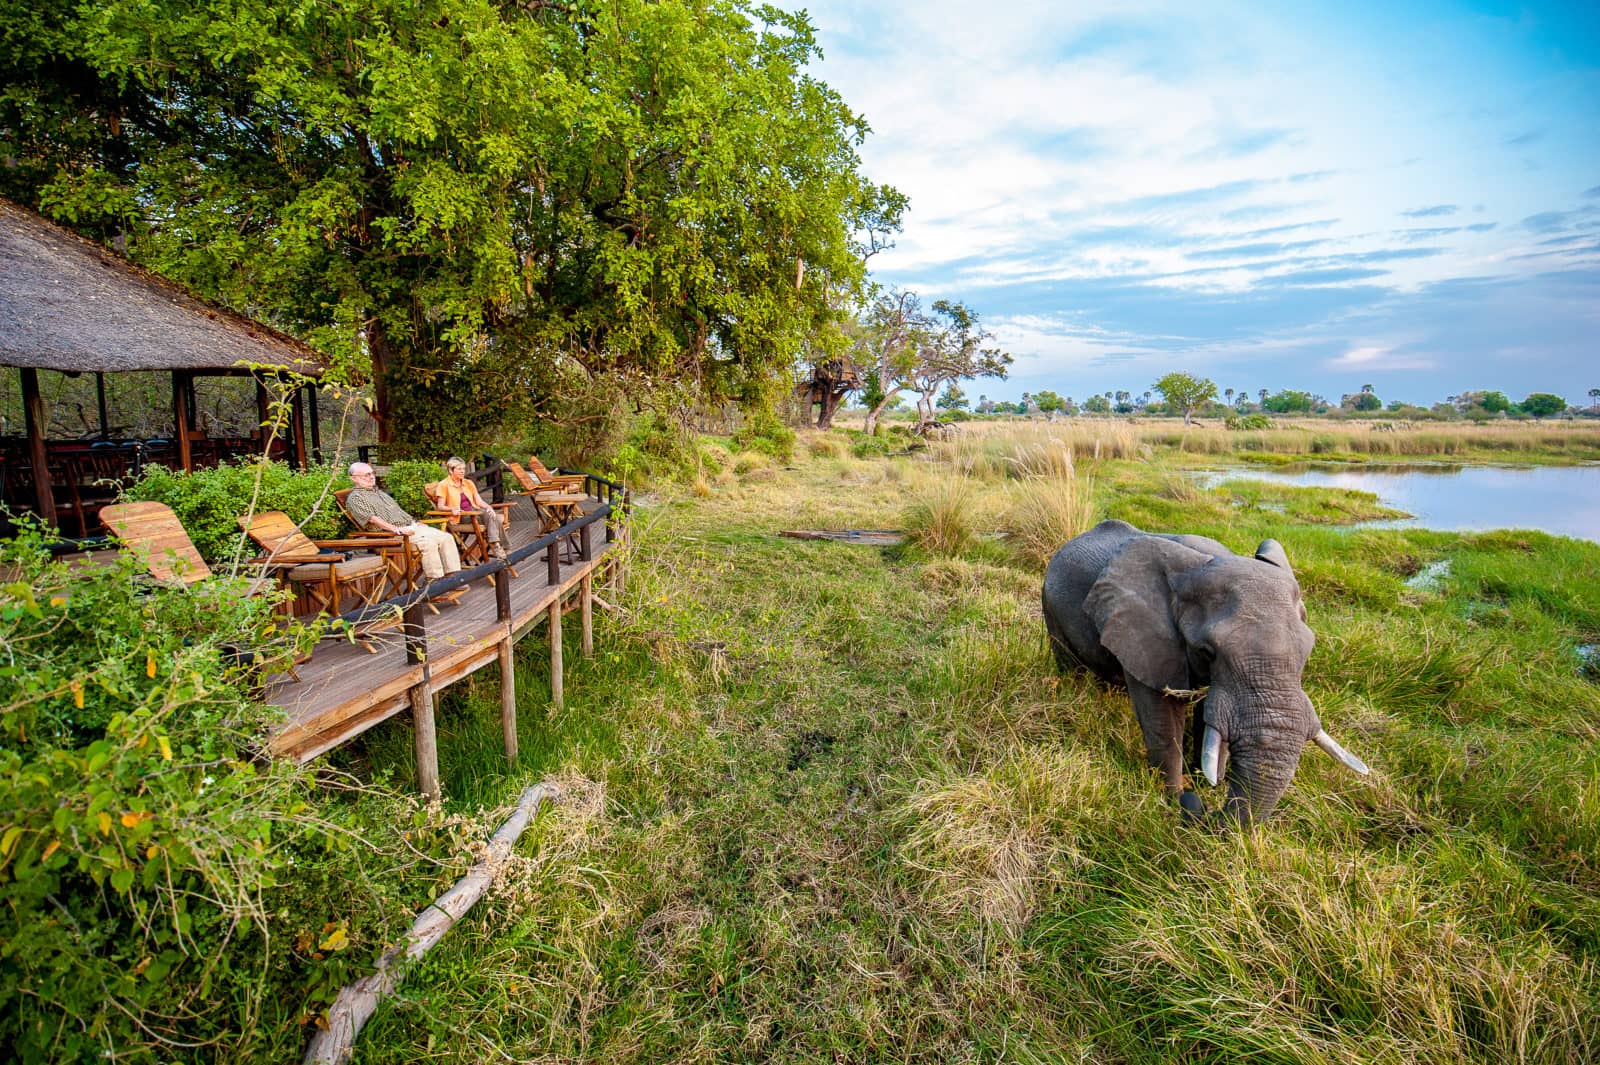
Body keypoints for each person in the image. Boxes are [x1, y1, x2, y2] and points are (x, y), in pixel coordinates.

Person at [345, 462, 461, 580]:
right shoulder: (356, 498)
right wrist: (395, 529)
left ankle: (454, 578)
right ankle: (434, 582)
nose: (371, 477)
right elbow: (372, 518)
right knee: (428, 543)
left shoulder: (379, 493)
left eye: (372, 473)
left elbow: (398, 512)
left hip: (409, 528)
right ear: (354, 478)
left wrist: (414, 522)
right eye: (366, 475)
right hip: (390, 536)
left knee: (447, 537)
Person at [434, 456, 507, 559]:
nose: (462, 471)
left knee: (493, 516)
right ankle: (504, 547)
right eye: (459, 469)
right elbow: (440, 506)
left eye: (463, 469)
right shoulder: (444, 485)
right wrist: (452, 509)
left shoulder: (468, 483)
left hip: (475, 513)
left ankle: (497, 545)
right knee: (494, 518)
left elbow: (479, 501)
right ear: (450, 470)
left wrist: (489, 507)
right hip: (460, 517)